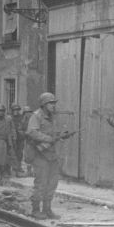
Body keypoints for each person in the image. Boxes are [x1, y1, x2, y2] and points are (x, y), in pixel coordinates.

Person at [26, 92, 73, 220]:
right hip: (40, 154)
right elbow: (32, 132)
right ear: (44, 104)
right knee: (41, 183)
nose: (53, 105)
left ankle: (47, 209)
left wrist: (62, 135)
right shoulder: (36, 116)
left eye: (54, 103)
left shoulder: (52, 117)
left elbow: (54, 134)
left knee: (52, 183)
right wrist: (49, 139)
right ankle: (36, 210)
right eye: (51, 103)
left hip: (52, 154)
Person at [9, 103, 25, 177]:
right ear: (12, 110)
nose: (16, 111)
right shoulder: (9, 118)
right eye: (14, 110)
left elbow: (24, 126)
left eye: (17, 110)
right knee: (12, 153)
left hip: (20, 138)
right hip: (12, 138)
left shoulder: (21, 118)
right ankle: (12, 168)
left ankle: (19, 166)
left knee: (19, 153)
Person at [21, 106, 34, 176]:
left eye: (28, 112)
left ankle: (35, 171)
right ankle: (29, 171)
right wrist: (24, 133)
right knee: (27, 156)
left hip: (35, 140)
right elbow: (22, 128)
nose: (27, 114)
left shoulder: (34, 119)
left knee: (35, 156)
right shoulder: (24, 120)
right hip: (27, 140)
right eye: (26, 112)